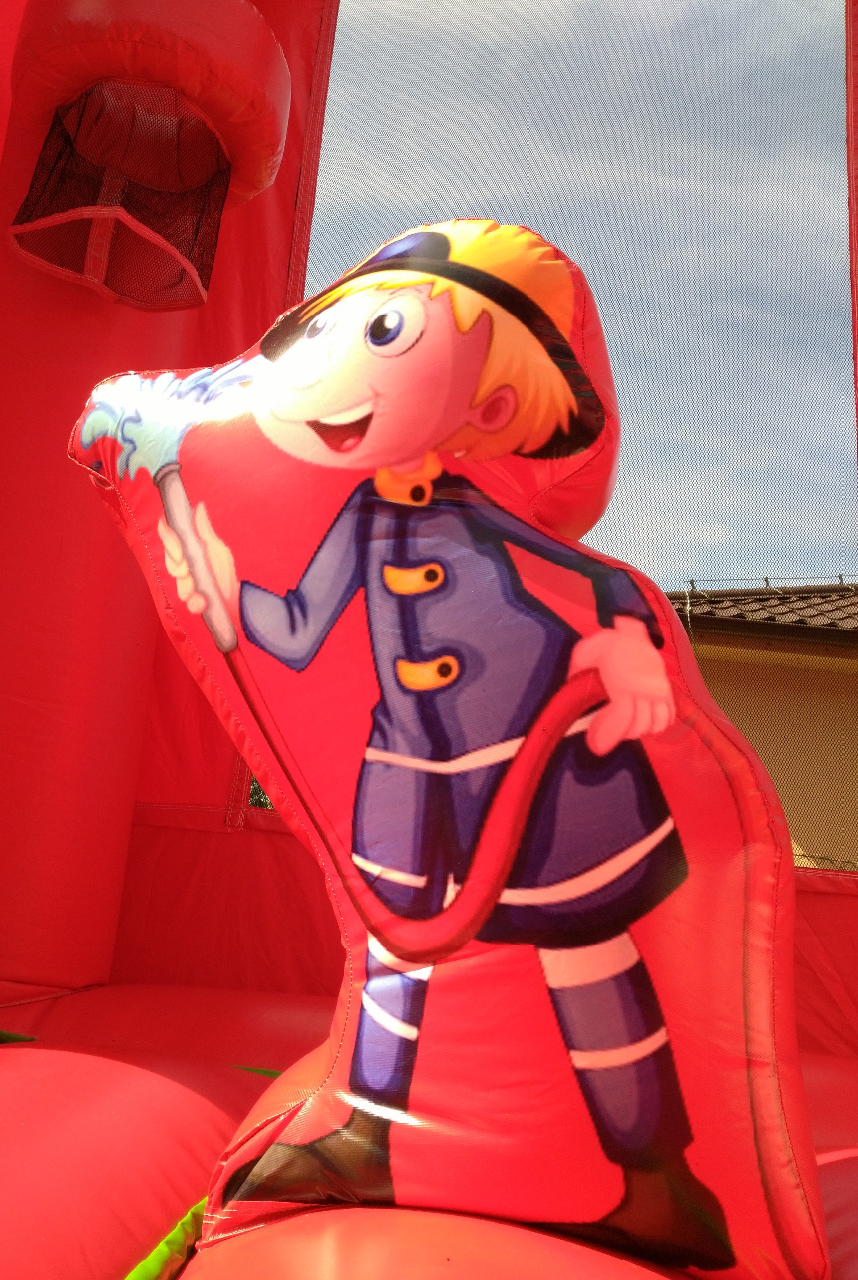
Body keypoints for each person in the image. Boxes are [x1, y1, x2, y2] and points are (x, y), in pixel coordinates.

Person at [159, 220, 735, 1269]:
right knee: (400, 957)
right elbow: (296, 628)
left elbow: (602, 593)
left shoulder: (488, 524)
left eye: (384, 335)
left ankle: (659, 1177)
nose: (330, 372)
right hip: (414, 784)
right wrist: (226, 591)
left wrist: (627, 649)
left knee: (586, 955)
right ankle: (370, 1135)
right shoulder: (360, 522)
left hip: (542, 775)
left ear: (495, 410)